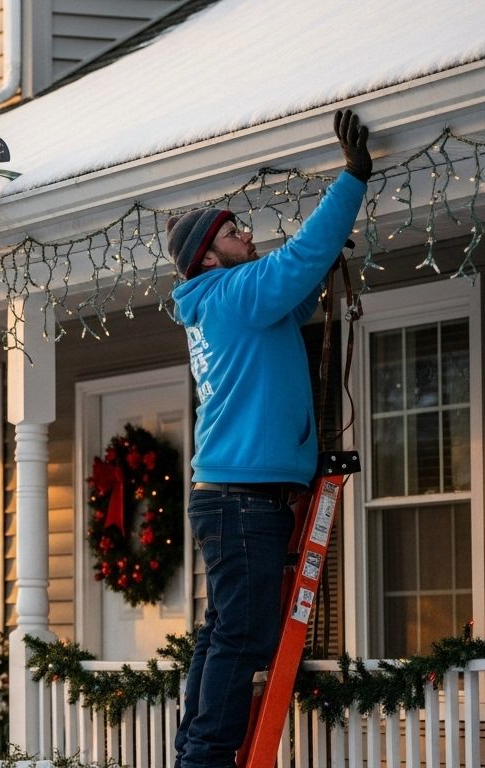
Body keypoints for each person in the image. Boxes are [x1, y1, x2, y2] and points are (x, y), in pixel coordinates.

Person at [169, 109, 371, 768]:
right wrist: (351, 179)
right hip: (242, 500)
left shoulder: (226, 301)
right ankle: (207, 757)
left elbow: (296, 292)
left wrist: (321, 265)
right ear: (207, 254)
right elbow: (296, 262)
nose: (247, 234)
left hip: (232, 496)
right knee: (244, 637)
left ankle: (196, 751)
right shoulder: (232, 292)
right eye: (234, 231)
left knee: (225, 631)